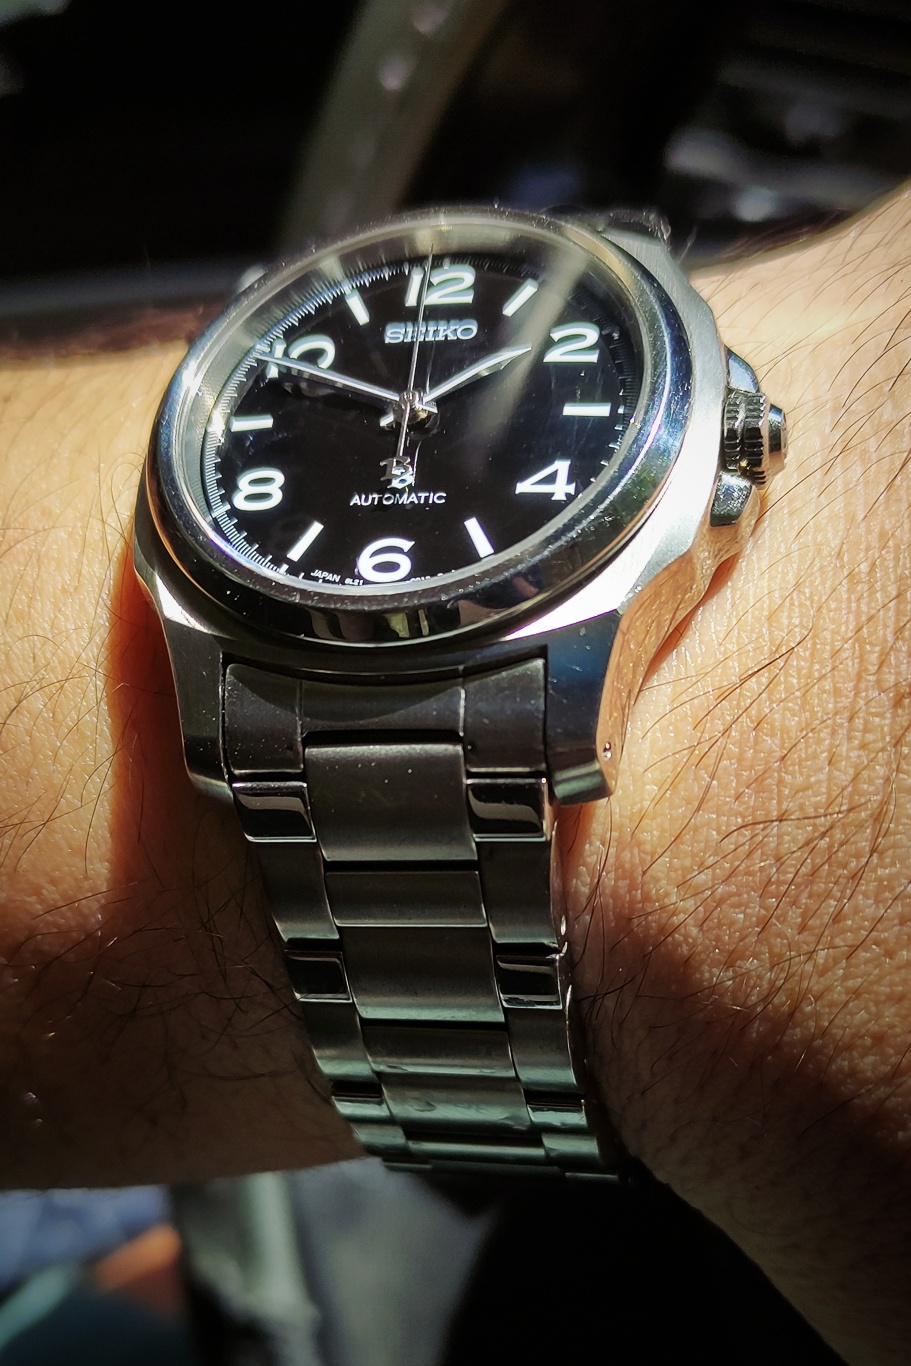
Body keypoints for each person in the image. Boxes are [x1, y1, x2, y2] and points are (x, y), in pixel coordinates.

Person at [0, 186, 909, 1365]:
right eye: (397, 397)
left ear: (726, 452)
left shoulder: (639, 403)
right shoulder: (238, 503)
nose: (412, 408)